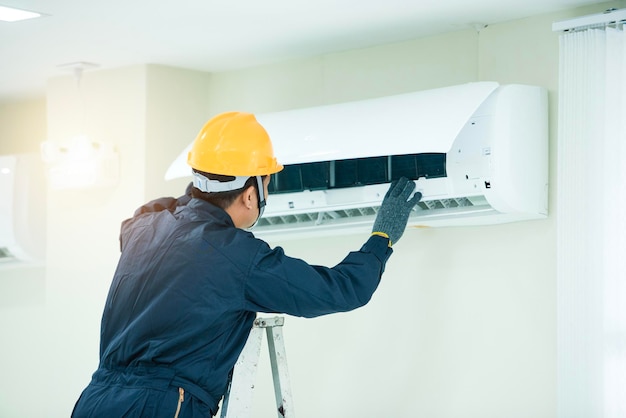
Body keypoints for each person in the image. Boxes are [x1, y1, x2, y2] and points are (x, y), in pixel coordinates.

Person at [71, 111, 421, 417]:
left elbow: (150, 211)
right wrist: (381, 238)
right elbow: (342, 290)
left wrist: (202, 189)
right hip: (162, 407)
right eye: (266, 180)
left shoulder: (145, 228)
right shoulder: (237, 257)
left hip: (94, 399)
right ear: (251, 194)